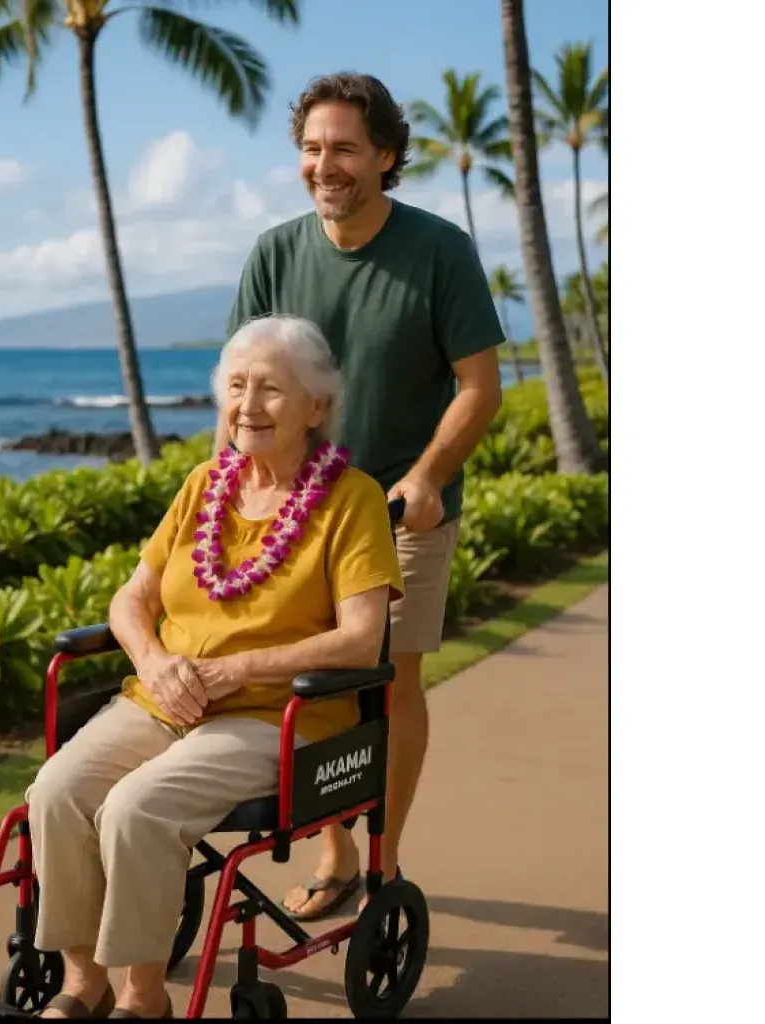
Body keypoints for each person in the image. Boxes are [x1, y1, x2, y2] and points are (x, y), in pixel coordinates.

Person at [26, 313, 404, 1019]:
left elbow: (360, 638)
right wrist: (154, 657)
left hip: (274, 714)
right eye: (236, 385)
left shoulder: (352, 501)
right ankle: (82, 983)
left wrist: (237, 670)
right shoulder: (205, 484)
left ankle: (145, 1000)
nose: (247, 404)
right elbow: (131, 597)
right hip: (166, 696)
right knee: (56, 791)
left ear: (316, 406)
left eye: (270, 389)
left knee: (138, 809)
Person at [219, 72, 505, 921]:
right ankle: (337, 848)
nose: (325, 165)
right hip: (293, 512)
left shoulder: (439, 249)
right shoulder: (275, 252)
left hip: (397, 511)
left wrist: (423, 476)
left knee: (389, 679)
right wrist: (223, 499)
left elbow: (479, 386)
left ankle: (382, 859)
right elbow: (241, 393)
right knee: (313, 682)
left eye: (344, 147)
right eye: (311, 148)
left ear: (385, 155)